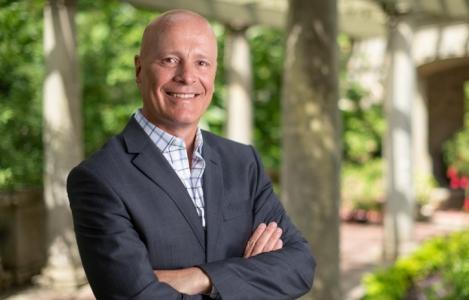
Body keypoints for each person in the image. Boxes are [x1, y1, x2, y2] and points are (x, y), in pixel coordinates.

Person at [67, 9, 315, 300]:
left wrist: (199, 277)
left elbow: (300, 266)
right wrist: (248, 276)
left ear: (214, 72)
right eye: (170, 60)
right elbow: (136, 297)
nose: (187, 77)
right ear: (138, 69)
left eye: (201, 62)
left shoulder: (243, 162)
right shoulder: (100, 179)